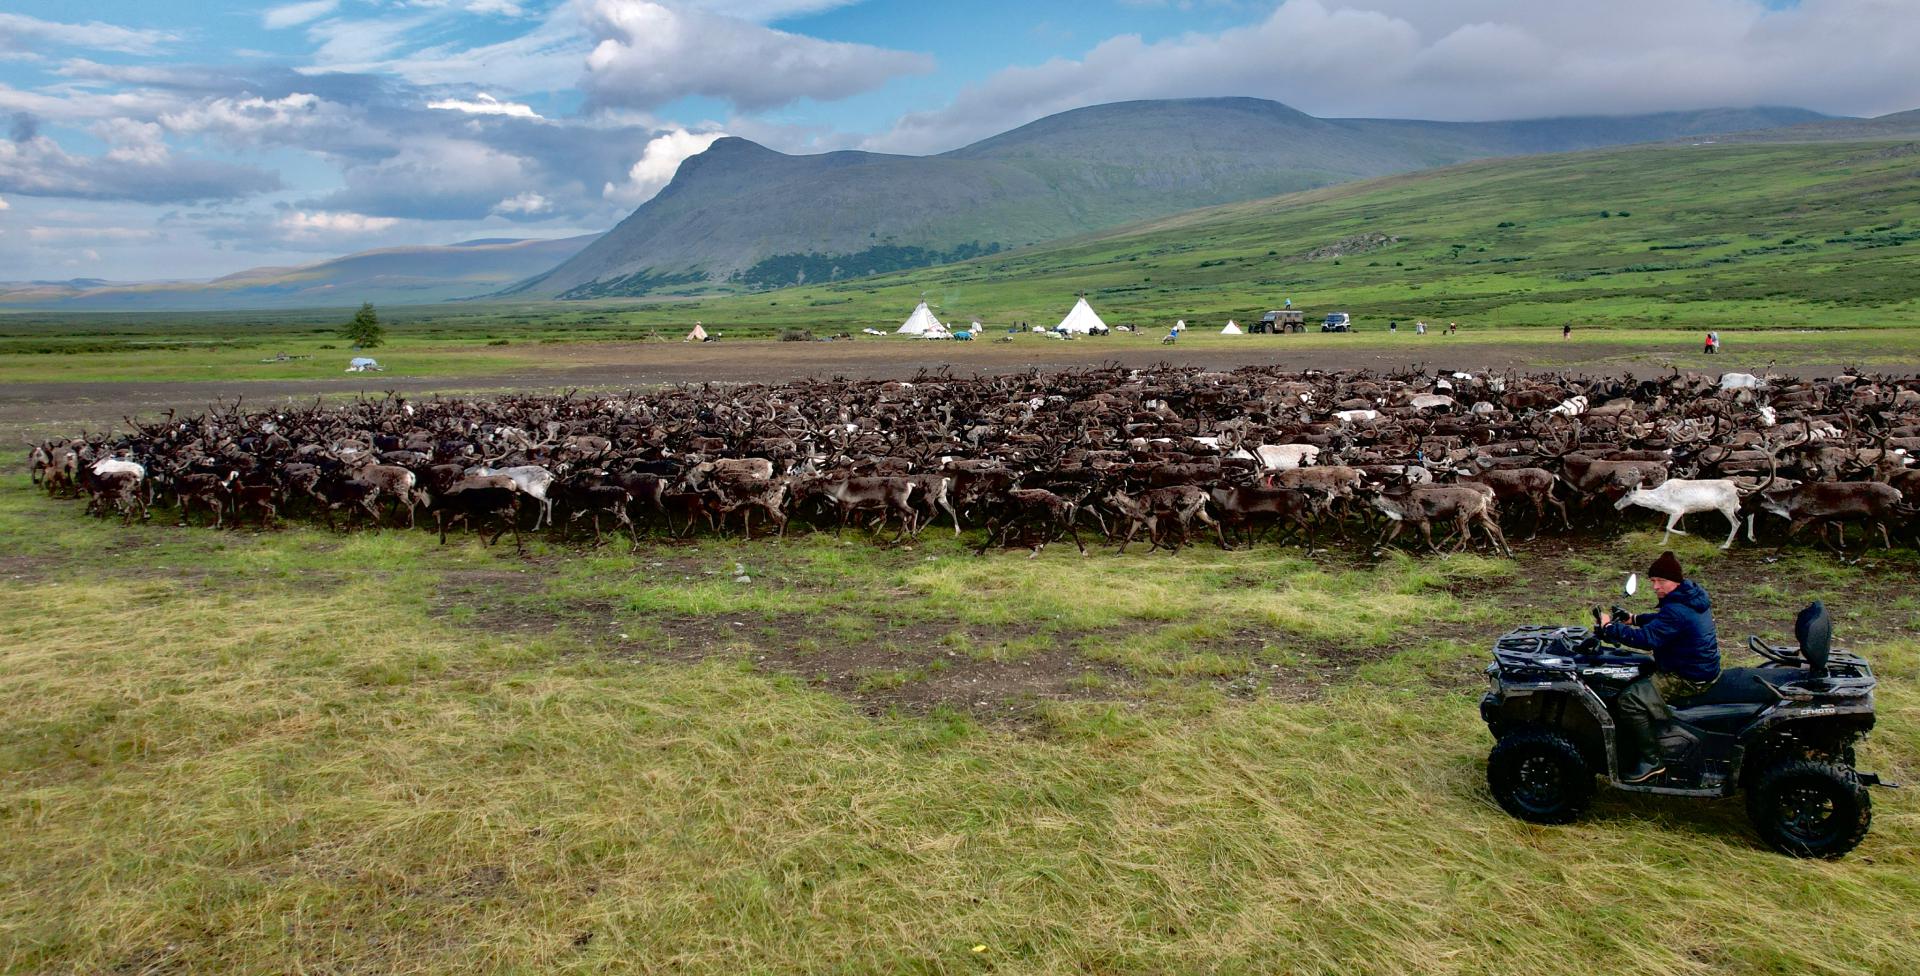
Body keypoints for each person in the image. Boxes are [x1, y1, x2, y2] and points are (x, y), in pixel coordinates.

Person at [1597, 551, 1722, 783]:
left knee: (1630, 700)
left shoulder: (1677, 610)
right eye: (1652, 581)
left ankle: (1652, 762)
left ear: (1675, 581)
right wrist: (1633, 619)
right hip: (1700, 668)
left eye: (1660, 581)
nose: (1655, 586)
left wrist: (1609, 629)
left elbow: (1647, 639)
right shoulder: (1689, 597)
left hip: (1687, 677)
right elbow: (1663, 620)